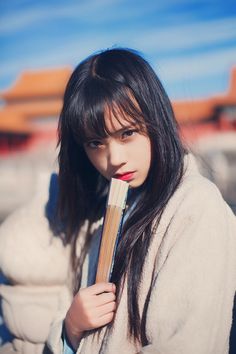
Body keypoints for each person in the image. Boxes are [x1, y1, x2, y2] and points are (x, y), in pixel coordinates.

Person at [0, 48, 236, 354]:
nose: (114, 159)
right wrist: (70, 329)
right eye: (96, 143)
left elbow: (187, 345)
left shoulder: (197, 208)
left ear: (156, 121)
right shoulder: (103, 212)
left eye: (127, 133)